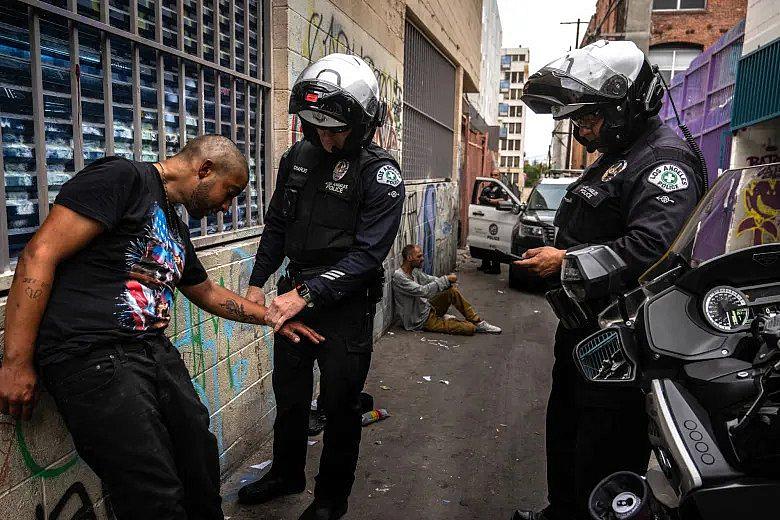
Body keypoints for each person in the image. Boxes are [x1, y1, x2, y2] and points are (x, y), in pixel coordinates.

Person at [0, 135, 323, 519]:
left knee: (199, 461)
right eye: (229, 192)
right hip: (92, 353)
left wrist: (269, 315)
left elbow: (205, 291)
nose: (228, 205)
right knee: (152, 491)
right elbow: (39, 254)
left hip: (149, 350)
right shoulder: (122, 178)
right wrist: (16, 362)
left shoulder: (173, 225)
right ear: (204, 169)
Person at [512, 40, 704, 520]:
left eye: (591, 117)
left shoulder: (664, 163)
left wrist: (566, 263)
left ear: (625, 107)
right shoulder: (619, 154)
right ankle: (563, 511)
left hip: (623, 344)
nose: (583, 130)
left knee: (605, 447)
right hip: (582, 331)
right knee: (566, 431)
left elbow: (652, 251)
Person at [236, 53, 404, 520]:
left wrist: (305, 295)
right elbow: (276, 226)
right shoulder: (298, 156)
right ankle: (286, 473)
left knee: (339, 405)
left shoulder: (380, 174)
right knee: (289, 396)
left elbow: (368, 256)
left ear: (364, 122)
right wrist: (255, 284)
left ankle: (331, 500)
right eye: (317, 127)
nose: (326, 138)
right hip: (296, 296)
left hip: (345, 307)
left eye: (336, 129)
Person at [392, 244, 501, 335]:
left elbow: (429, 279)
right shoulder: (399, 277)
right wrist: (445, 279)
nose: (422, 259)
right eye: (419, 256)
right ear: (409, 258)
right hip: (420, 321)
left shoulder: (414, 271)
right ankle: (468, 324)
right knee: (469, 329)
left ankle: (478, 322)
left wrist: (447, 282)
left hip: (427, 309)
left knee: (451, 291)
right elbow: (423, 291)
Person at [477, 171, 508, 274]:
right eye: (492, 175)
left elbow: (503, 200)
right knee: (484, 241)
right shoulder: (486, 188)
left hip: (496, 218)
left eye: (496, 175)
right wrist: (483, 199)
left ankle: (495, 267)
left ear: (499, 176)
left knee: (494, 243)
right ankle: (485, 264)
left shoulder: (501, 188)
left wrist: (489, 200)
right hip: (485, 216)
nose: (493, 177)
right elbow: (481, 199)